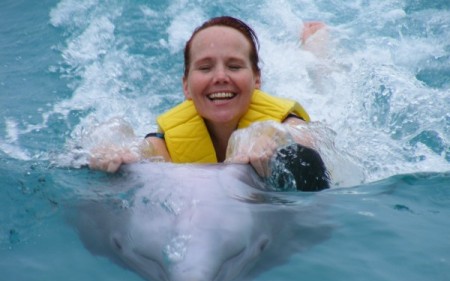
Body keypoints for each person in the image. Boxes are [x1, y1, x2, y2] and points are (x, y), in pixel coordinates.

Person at [89, 16, 329, 191]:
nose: (220, 77)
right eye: (205, 68)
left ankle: (317, 51)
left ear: (257, 79)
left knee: (323, 86)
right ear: (186, 87)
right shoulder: (167, 144)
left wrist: (274, 139)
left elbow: (305, 138)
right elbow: (140, 150)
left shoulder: (281, 122)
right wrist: (114, 152)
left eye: (234, 66)